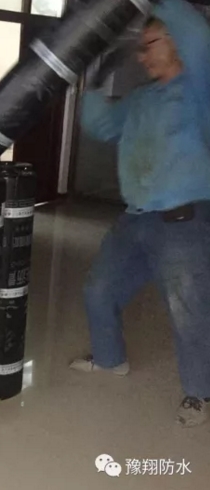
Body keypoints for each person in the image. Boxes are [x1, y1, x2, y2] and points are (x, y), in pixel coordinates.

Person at [70, 0, 210, 428]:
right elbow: (102, 127)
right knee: (99, 289)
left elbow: (199, 36)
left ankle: (201, 394)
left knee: (189, 310)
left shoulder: (199, 89)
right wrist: (94, 85)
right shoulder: (142, 99)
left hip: (183, 222)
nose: (141, 55)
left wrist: (158, 2)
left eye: (150, 44)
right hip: (136, 218)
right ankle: (110, 359)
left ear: (176, 43)